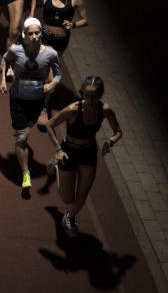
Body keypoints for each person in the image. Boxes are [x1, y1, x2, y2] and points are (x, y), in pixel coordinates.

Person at [45, 76, 123, 237]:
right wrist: (58, 149)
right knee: (67, 198)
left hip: (88, 152)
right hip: (68, 151)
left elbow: (118, 132)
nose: (90, 99)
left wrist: (111, 141)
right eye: (86, 95)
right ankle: (57, 163)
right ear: (82, 94)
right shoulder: (73, 109)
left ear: (100, 95)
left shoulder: (105, 110)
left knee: (83, 193)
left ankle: (69, 217)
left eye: (94, 95)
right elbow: (49, 125)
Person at [0, 17, 62, 197]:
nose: (35, 36)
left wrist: (53, 85)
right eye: (31, 34)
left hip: (37, 100)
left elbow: (58, 74)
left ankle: (42, 110)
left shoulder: (50, 54)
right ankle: (26, 173)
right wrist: (3, 79)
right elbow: (5, 60)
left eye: (37, 33)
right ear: (24, 35)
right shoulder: (15, 50)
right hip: (18, 99)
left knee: (28, 128)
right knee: (22, 137)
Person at [29, 0, 88, 123]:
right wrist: (31, 14)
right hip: (45, 38)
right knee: (50, 77)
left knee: (45, 72)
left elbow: (85, 20)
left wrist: (73, 25)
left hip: (61, 42)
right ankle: (43, 105)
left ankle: (38, 97)